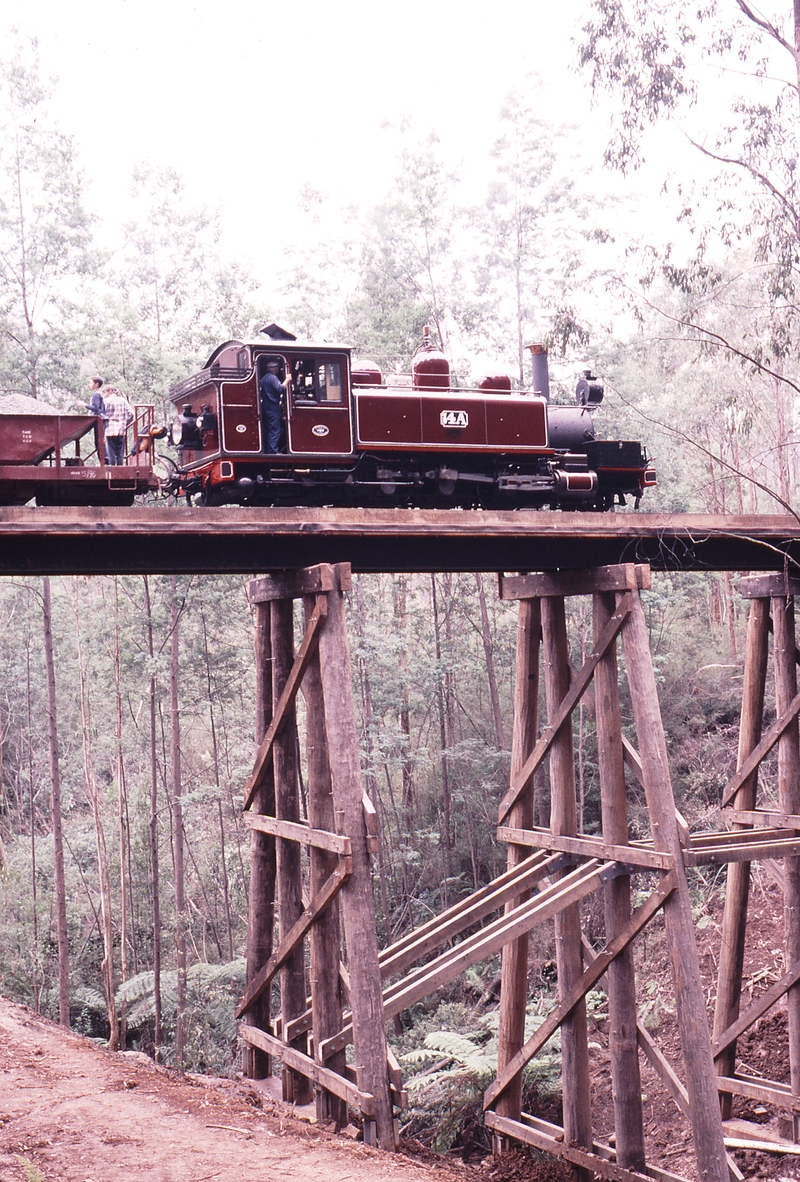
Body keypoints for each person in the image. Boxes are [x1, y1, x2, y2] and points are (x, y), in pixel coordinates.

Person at [258, 359, 290, 453]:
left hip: (266, 405)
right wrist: (287, 379)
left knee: (270, 428)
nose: (278, 370)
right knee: (274, 429)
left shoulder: (264, 378)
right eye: (277, 368)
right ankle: (272, 451)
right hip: (272, 406)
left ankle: (269, 449)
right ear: (274, 369)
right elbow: (280, 388)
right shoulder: (272, 378)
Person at [103, 386, 135, 465]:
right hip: (121, 429)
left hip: (110, 429)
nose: (104, 395)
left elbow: (101, 414)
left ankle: (113, 470)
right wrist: (126, 423)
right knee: (120, 452)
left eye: (104, 392)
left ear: (109, 391)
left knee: (111, 452)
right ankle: (120, 468)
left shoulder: (106, 401)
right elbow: (131, 413)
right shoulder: (123, 400)